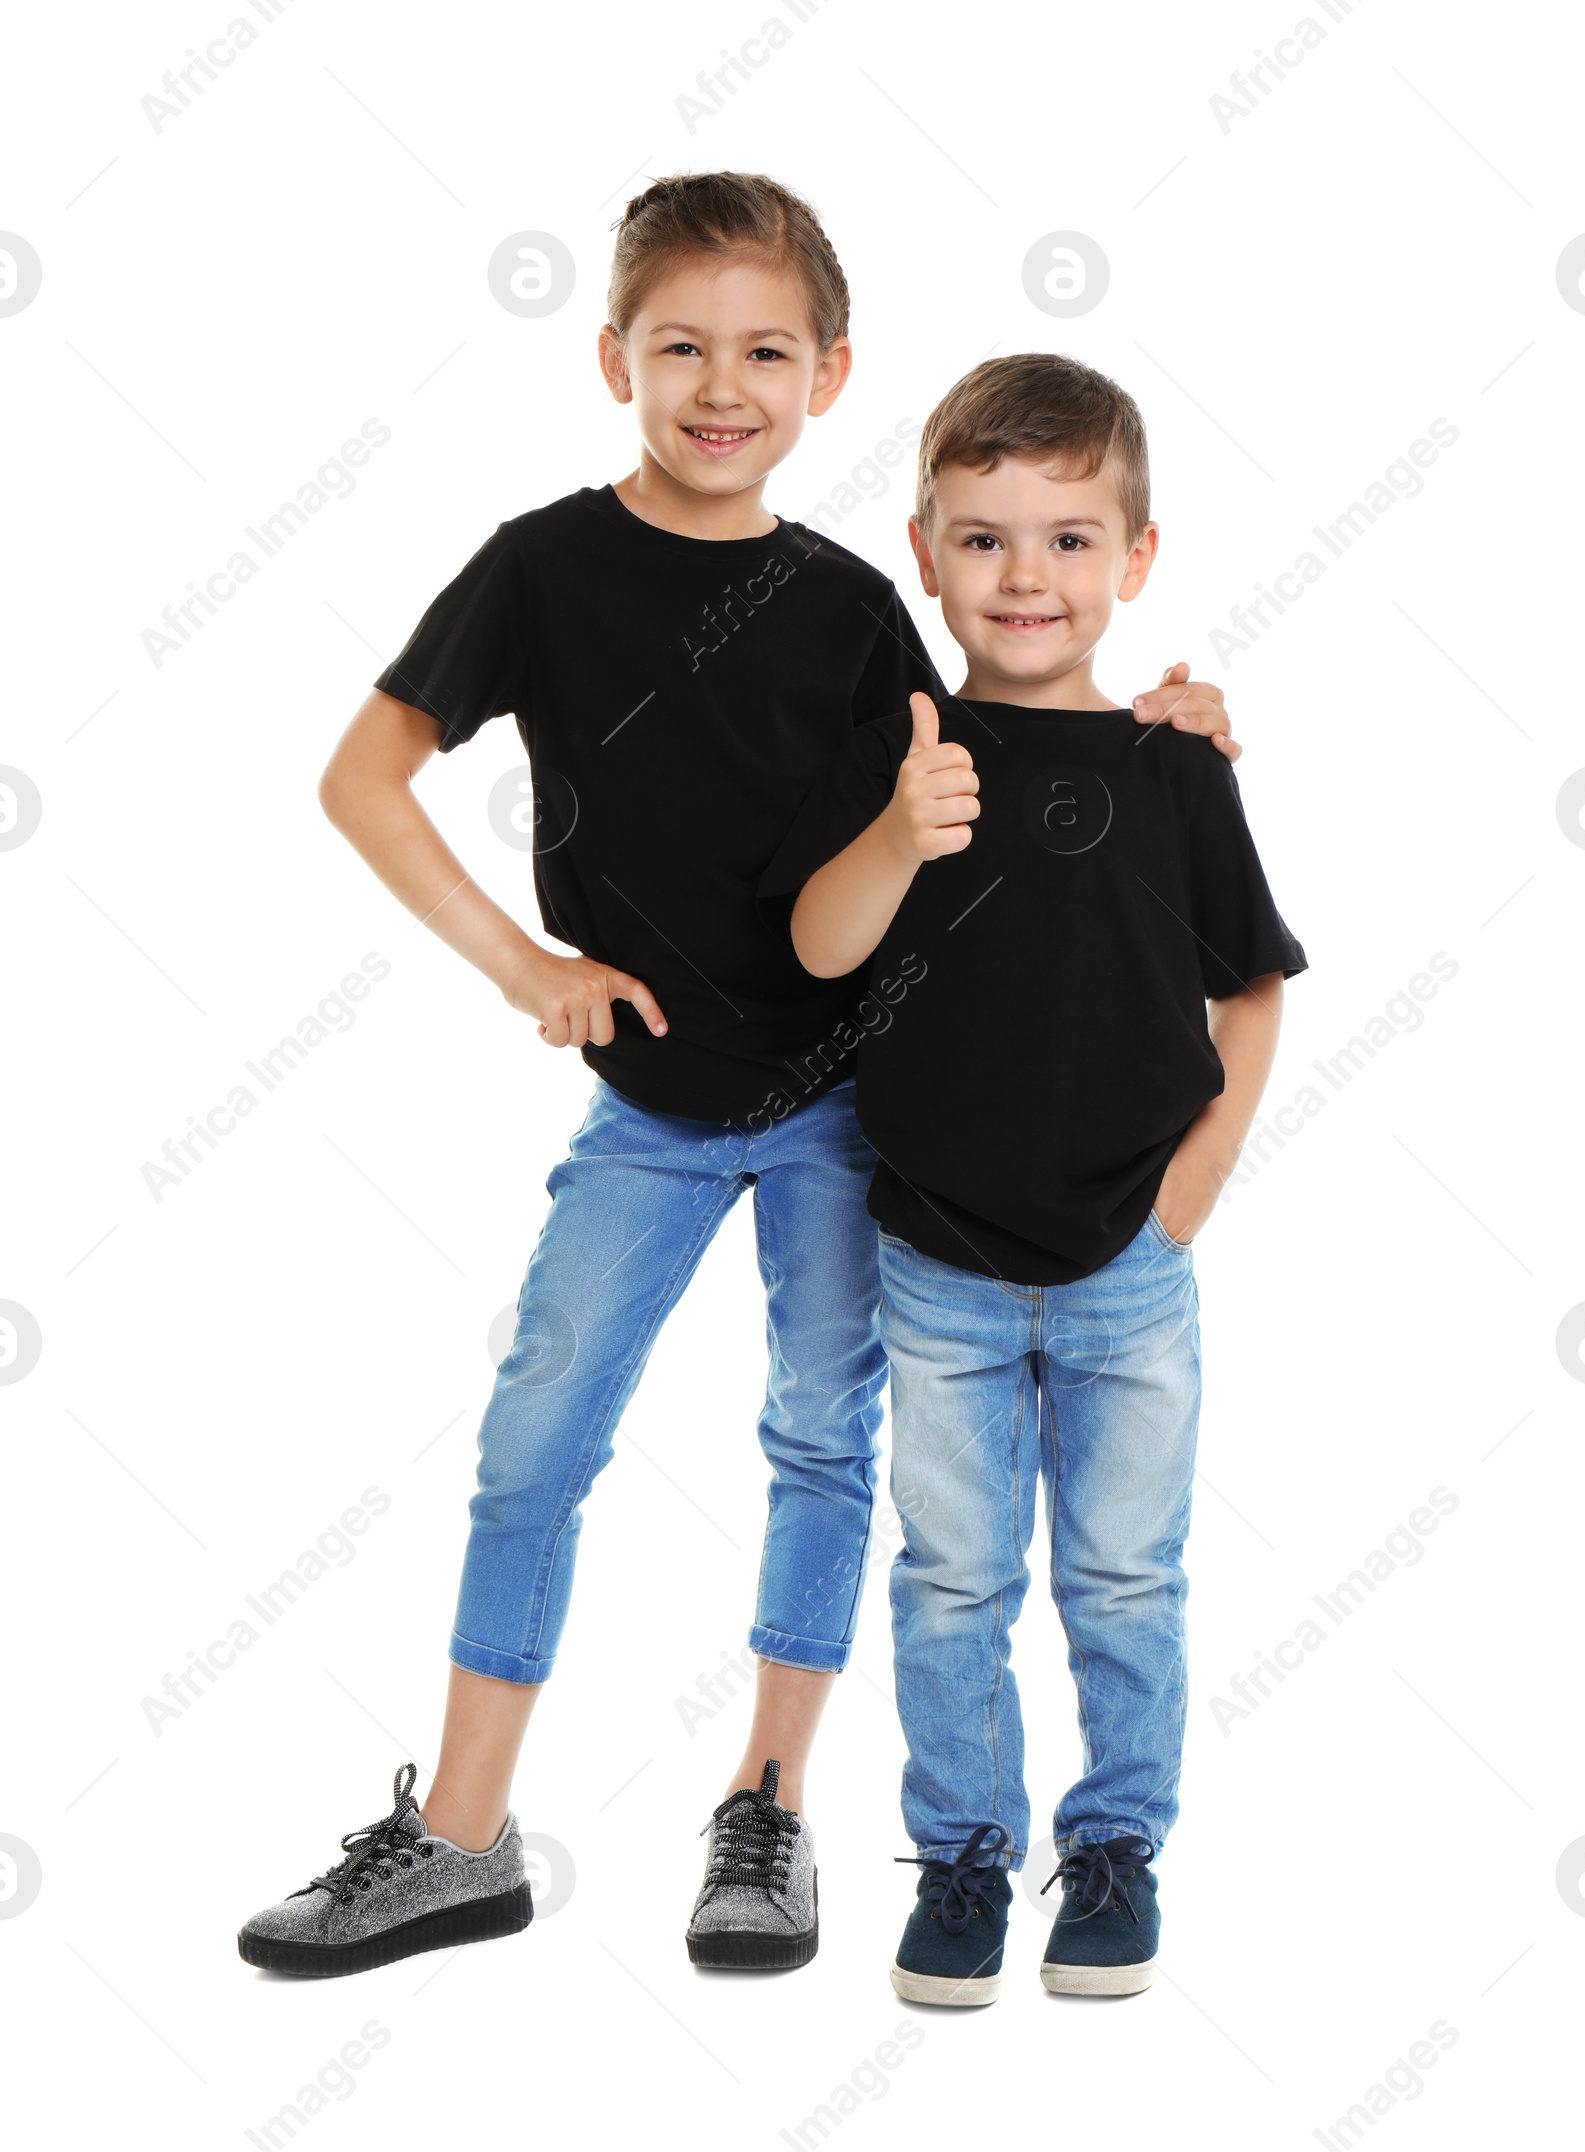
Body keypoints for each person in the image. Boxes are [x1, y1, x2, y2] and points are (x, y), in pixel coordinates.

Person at [236, 181, 1242, 1980]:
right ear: (612, 357)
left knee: (823, 1443)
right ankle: (464, 1835)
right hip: (651, 1104)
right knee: (540, 1429)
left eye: (766, 350)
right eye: (681, 346)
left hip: (857, 1110)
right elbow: (363, 777)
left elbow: (1009, 724)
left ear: (827, 375)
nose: (722, 384)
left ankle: (766, 1813)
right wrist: (525, 967)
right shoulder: (540, 566)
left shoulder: (861, 601)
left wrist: (1169, 734)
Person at [764, 351, 1305, 2002]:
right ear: (925, 550)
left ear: (1135, 559)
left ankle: (1117, 1845)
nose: (1027, 577)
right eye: (986, 539)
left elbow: (1254, 982)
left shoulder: (1170, 765)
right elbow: (817, 949)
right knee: (952, 1576)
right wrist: (894, 831)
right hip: (937, 1261)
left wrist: (1197, 1180)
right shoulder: (899, 755)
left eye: (1070, 540)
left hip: (1133, 1259)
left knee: (1127, 1571)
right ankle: (966, 1856)